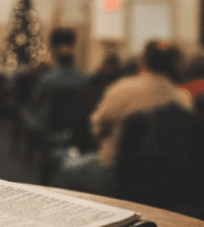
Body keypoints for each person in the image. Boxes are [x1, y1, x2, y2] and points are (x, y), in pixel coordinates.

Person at [52, 40, 194, 195]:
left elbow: (96, 127)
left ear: (144, 61)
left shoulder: (123, 88)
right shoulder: (183, 98)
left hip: (114, 171)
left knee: (65, 168)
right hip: (163, 178)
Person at [21, 28, 88, 132]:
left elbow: (35, 101)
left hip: (48, 128)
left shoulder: (47, 80)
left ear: (54, 53)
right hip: (77, 128)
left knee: (24, 111)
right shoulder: (84, 78)